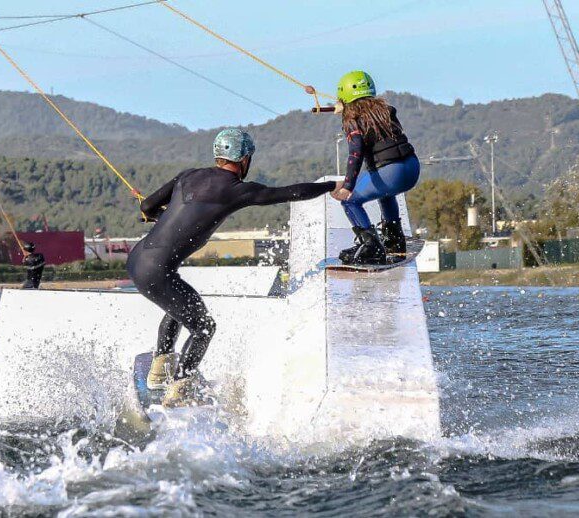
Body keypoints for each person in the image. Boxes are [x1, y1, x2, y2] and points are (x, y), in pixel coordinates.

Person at [127, 128, 339, 407]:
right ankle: (179, 388)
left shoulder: (188, 175)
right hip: (157, 271)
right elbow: (290, 192)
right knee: (203, 326)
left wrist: (158, 217)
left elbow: (148, 205)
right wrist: (332, 186)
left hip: (137, 259)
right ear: (244, 159)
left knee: (179, 308)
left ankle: (159, 369)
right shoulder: (237, 190)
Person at [330, 70, 420, 265]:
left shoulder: (352, 120)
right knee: (386, 194)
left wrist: (347, 185)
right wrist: (345, 108)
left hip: (390, 173)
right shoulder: (386, 110)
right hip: (412, 168)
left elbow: (355, 154)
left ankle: (371, 246)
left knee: (349, 201)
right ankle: (395, 240)